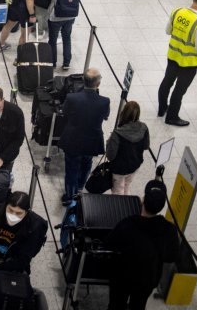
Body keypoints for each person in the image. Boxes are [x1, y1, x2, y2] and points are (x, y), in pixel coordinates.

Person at [107, 180, 180, 310]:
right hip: (148, 278)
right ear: (162, 205)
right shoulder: (170, 230)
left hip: (122, 276)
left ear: (143, 200)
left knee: (116, 304)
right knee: (138, 305)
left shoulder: (127, 224)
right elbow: (171, 257)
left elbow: (110, 243)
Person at [159, 0, 197, 127]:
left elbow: (168, 31)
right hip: (188, 64)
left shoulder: (177, 11)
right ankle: (172, 117)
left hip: (173, 56)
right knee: (179, 91)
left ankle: (162, 109)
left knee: (167, 82)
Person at [58, 68, 110, 204]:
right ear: (98, 84)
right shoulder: (104, 101)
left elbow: (65, 112)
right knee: (87, 163)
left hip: (73, 139)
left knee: (71, 168)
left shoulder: (72, 98)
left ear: (83, 80)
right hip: (92, 141)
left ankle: (70, 196)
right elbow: (105, 116)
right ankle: (80, 187)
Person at [106, 101, 150, 196]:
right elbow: (146, 146)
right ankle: (127, 201)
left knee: (118, 191)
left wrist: (109, 142)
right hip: (135, 165)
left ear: (124, 114)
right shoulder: (144, 127)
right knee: (127, 185)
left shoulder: (117, 134)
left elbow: (110, 156)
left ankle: (120, 208)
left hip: (119, 169)